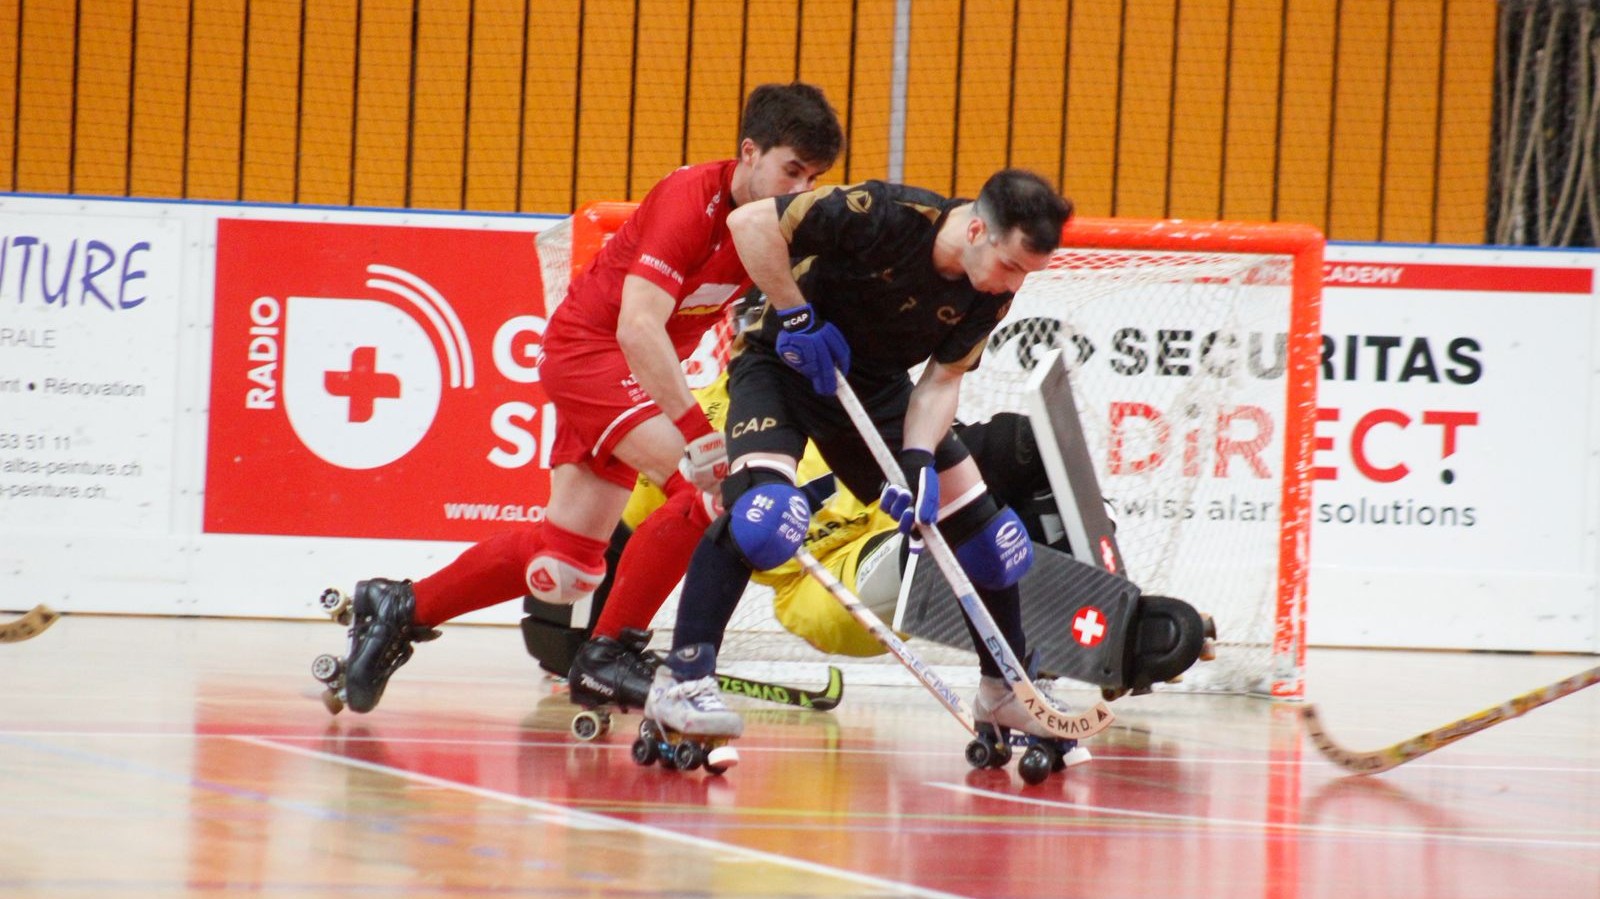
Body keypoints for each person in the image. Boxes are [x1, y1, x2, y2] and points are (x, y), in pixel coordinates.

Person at [324, 83, 844, 715]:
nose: (799, 190)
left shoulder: (774, 225)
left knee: (566, 561)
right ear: (749, 152)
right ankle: (608, 655)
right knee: (710, 491)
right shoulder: (689, 199)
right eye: (791, 170)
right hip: (592, 354)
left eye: (812, 178)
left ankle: (401, 606)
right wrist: (696, 432)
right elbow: (637, 327)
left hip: (634, 376)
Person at [642, 168, 1079, 749]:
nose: (1012, 284)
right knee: (767, 516)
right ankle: (683, 677)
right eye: (1011, 265)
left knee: (991, 540)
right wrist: (796, 312)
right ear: (977, 230)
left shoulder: (988, 292)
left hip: (875, 392)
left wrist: (920, 457)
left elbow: (941, 381)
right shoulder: (884, 213)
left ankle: (1003, 691)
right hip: (783, 364)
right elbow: (748, 224)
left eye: (1027, 273)